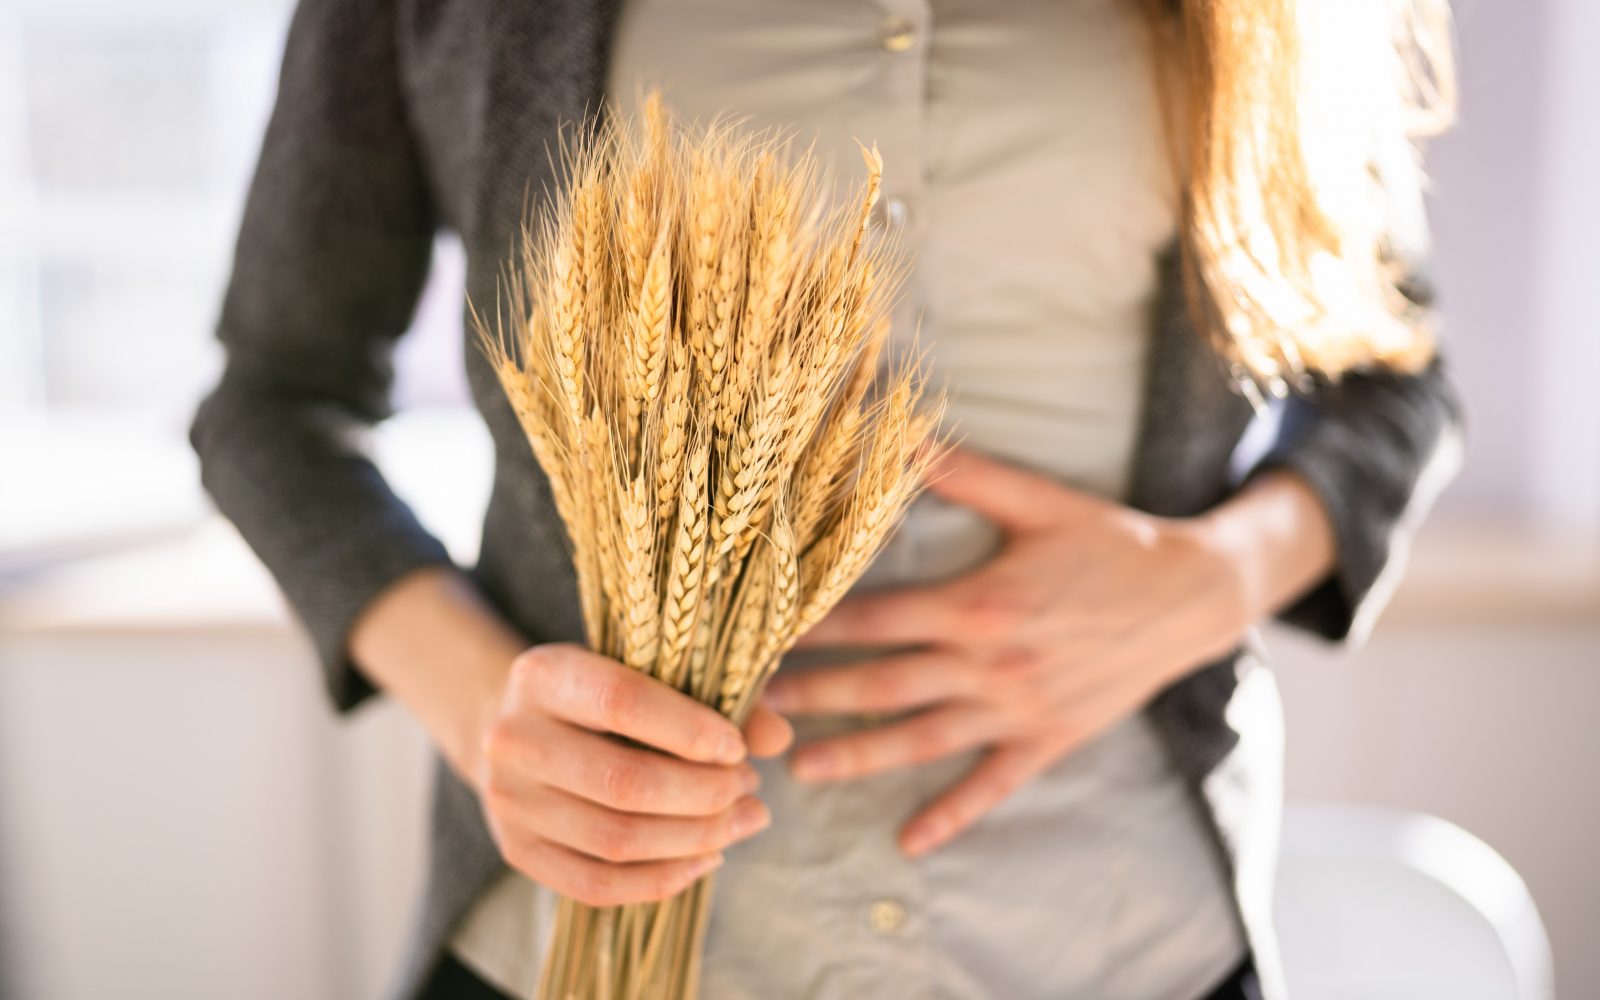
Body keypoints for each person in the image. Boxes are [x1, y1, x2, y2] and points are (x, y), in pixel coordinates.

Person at [190, 0, 1462, 998]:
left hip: (1121, 938)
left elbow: (1396, 384)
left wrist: (1217, 573)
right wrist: (490, 717)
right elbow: (276, 404)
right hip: (589, 954)